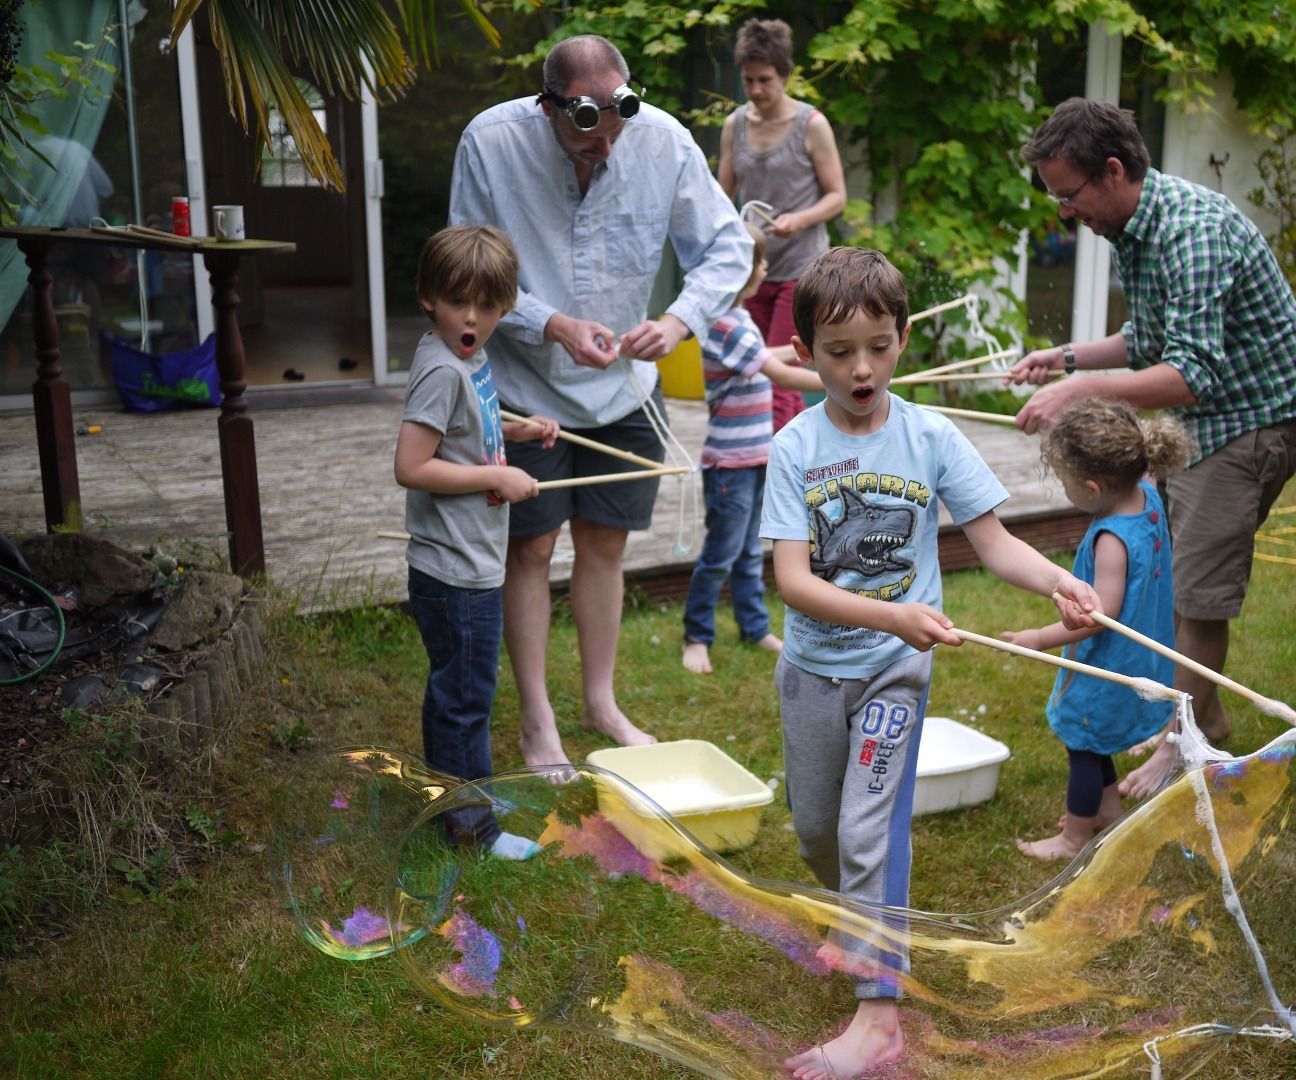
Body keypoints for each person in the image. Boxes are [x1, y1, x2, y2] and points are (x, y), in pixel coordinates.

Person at [761, 246, 1100, 1080]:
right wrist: (892, 612)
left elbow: (995, 541)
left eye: (878, 345)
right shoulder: (794, 447)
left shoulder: (930, 435)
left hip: (894, 674)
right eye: (839, 353)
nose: (862, 367)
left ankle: (878, 1015)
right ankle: (861, 917)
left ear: (903, 338)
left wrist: (1061, 580)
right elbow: (793, 582)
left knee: (868, 826)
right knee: (817, 833)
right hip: (812, 672)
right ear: (805, 353)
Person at [448, 35, 753, 766]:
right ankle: (536, 720)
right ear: (549, 107)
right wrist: (549, 323)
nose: (606, 155)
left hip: (623, 389)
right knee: (530, 549)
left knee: (606, 547)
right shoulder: (490, 143)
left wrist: (678, 320)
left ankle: (599, 701)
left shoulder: (664, 141)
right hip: (523, 390)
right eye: (588, 143)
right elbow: (462, 263)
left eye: (615, 136)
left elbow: (728, 248)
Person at [1008, 97, 1296, 800]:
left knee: (1197, 597)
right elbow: (1149, 340)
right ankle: (1207, 716)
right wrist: (1067, 359)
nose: (1065, 213)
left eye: (1069, 195)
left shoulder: (1189, 231)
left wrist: (1077, 396)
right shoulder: (1139, 228)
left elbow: (1190, 373)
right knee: (1176, 582)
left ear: (1112, 171)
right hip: (1210, 418)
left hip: (1249, 422)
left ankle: (1179, 745)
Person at [394, 225, 560, 860]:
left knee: (459, 693)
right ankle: (473, 830)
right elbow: (412, 465)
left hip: (470, 562)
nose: (472, 317)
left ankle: (463, 797)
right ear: (428, 297)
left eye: (487, 306)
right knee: (465, 701)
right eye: (458, 301)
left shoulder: (469, 359)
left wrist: (515, 433)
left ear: (505, 307)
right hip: (456, 571)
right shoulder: (443, 369)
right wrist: (496, 475)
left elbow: (465, 434)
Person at [1001, 398, 1193, 860]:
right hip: (1144, 653)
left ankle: (1074, 838)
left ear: (1091, 487)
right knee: (1097, 737)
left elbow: (1094, 617)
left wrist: (1037, 638)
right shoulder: (1146, 490)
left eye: (1067, 482)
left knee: (1084, 744)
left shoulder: (1111, 540)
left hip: (1110, 661)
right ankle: (1106, 808)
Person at [682, 223, 824, 675]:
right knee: (721, 554)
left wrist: (814, 352)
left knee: (748, 552)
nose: (766, 266)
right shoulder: (721, 322)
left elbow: (769, 356)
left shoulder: (739, 317)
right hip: (728, 464)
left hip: (754, 457)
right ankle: (696, 635)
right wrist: (839, 379)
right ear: (737, 271)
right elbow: (775, 372)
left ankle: (753, 627)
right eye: (760, 260)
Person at [718, 17, 846, 433]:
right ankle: (750, 461)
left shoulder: (811, 124)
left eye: (765, 80)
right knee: (747, 372)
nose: (756, 90)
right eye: (748, 80)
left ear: (786, 74)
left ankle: (784, 467)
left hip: (801, 271)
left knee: (778, 380)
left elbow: (837, 196)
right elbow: (721, 199)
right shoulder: (734, 125)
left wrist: (800, 219)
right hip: (749, 272)